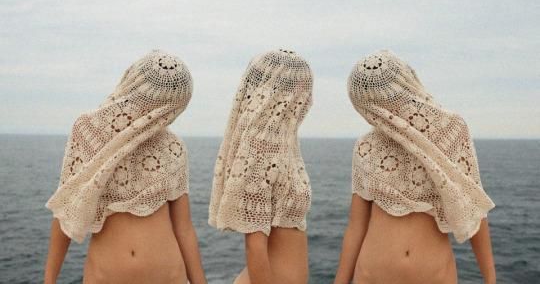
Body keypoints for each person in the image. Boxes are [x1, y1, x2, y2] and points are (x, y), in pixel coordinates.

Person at [44, 49, 206, 284]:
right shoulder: (89, 131)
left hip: (170, 276)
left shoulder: (173, 146)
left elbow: (184, 228)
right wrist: (49, 280)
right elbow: (66, 210)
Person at [334, 50, 496, 284]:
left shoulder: (451, 130)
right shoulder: (366, 146)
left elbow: (474, 207)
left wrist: (490, 279)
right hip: (370, 276)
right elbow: (356, 225)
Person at [208, 49, 313, 284]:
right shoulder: (260, 146)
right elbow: (255, 245)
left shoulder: (285, 142)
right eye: (300, 85)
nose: (305, 95)